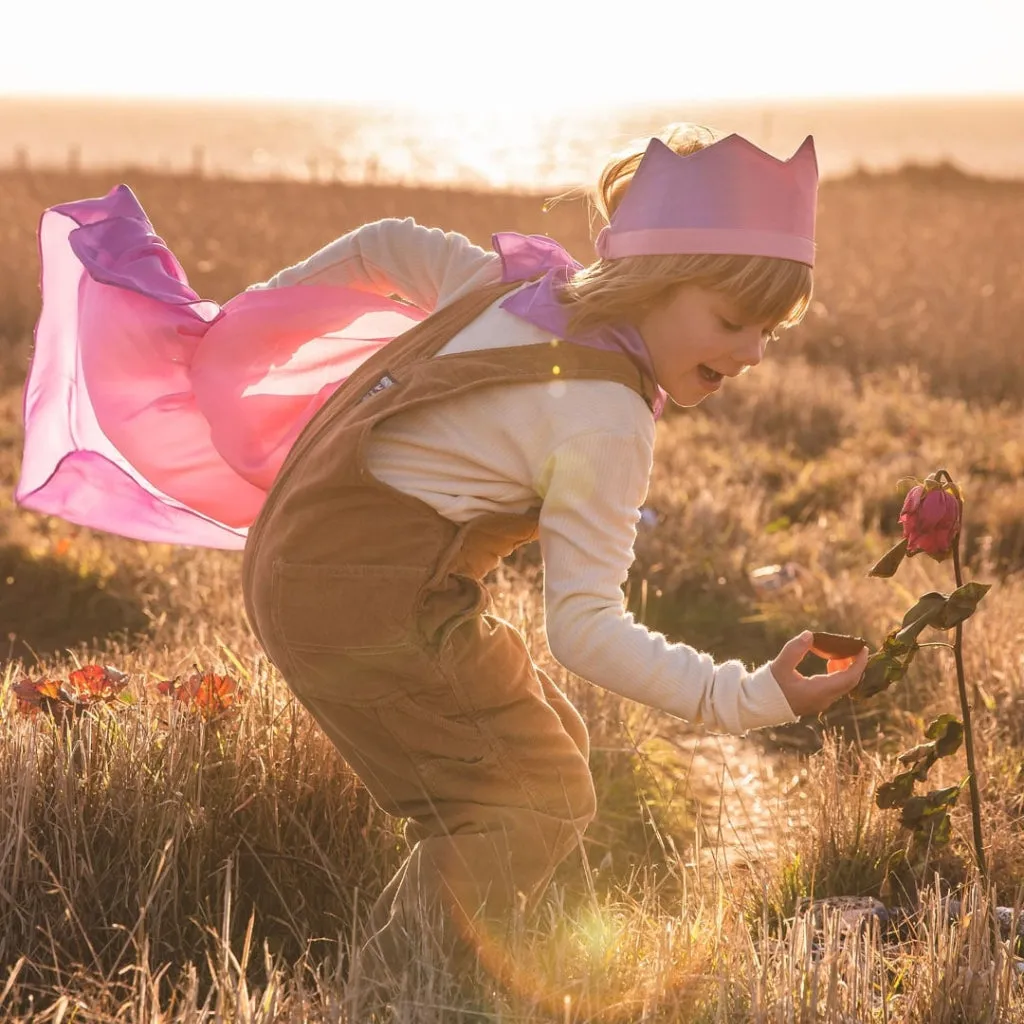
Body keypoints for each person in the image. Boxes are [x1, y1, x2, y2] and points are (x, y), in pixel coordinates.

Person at [16, 122, 869, 1006]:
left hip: (305, 558)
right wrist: (748, 695)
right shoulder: (607, 424)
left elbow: (386, 243)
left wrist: (254, 312)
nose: (753, 353)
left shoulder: (509, 286)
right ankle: (396, 992)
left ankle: (418, 963)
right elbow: (583, 629)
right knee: (530, 801)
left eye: (772, 330)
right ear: (650, 281)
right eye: (733, 320)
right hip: (370, 601)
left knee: (547, 762)